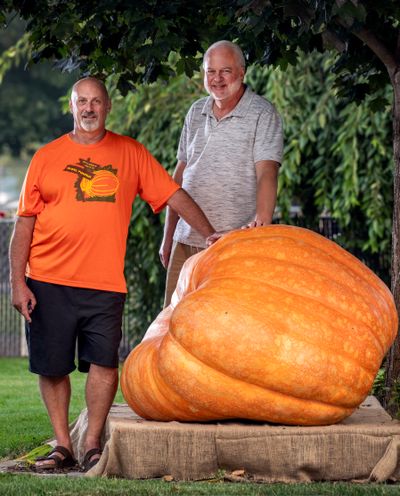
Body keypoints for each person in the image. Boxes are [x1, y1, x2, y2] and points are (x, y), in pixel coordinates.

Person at [9, 77, 219, 472]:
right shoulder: (45, 158)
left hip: (105, 284)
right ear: (71, 107)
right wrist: (18, 282)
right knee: (52, 367)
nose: (88, 108)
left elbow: (173, 194)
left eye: (96, 102)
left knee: (104, 364)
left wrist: (208, 234)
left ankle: (91, 444)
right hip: (48, 280)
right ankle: (63, 444)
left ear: (108, 107)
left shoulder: (131, 153)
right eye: (81, 102)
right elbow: (24, 223)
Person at [159, 40, 284, 306]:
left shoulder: (262, 113)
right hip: (185, 241)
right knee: (170, 328)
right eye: (210, 71)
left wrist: (261, 225)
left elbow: (267, 173)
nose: (216, 79)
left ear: (241, 72)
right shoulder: (195, 111)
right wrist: (168, 237)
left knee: (222, 333)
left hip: (231, 244)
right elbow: (178, 178)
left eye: (225, 71)